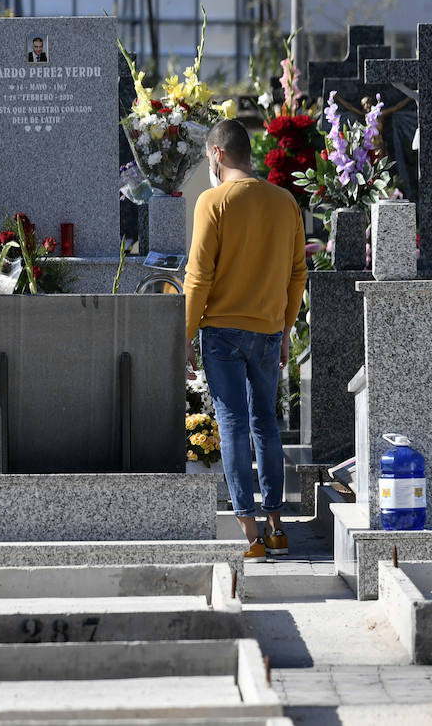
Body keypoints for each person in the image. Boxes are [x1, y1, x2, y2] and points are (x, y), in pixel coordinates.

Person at [184, 119, 307, 563]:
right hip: (268, 330)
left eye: (207, 158)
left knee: (233, 424)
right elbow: (297, 274)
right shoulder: (285, 201)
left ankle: (250, 534)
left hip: (221, 331)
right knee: (265, 424)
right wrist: (287, 327)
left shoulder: (212, 202)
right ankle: (277, 528)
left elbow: (198, 276)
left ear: (217, 154)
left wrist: (183, 333)